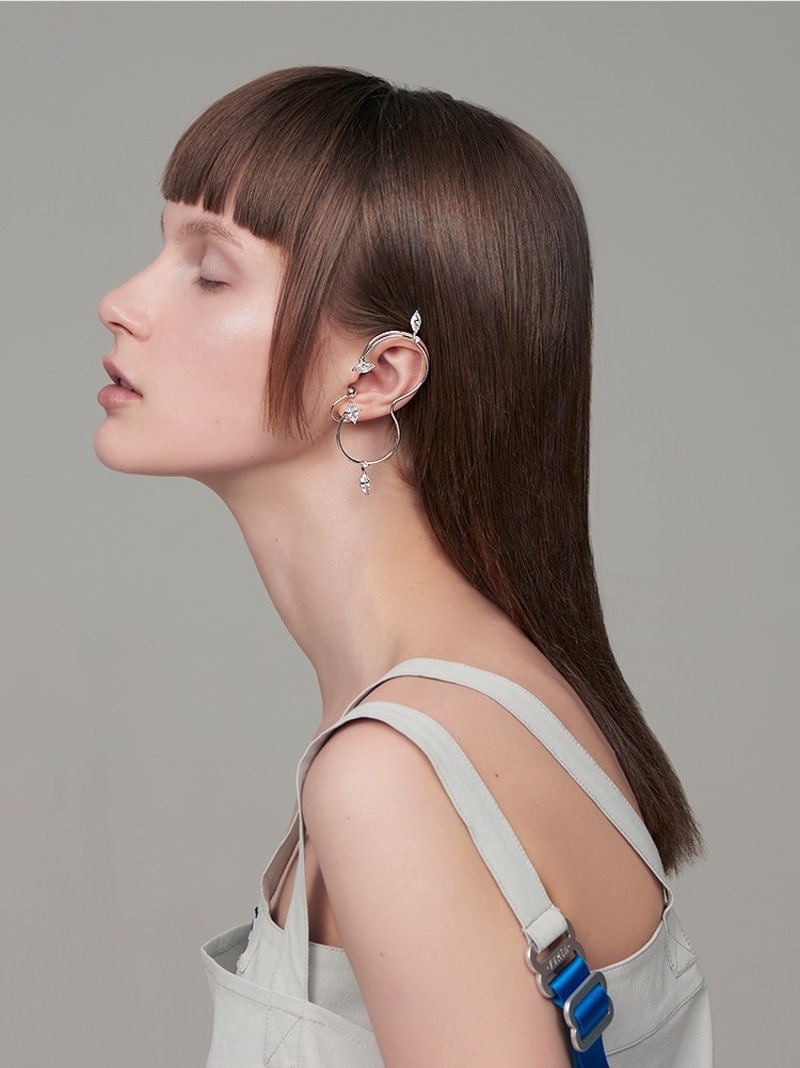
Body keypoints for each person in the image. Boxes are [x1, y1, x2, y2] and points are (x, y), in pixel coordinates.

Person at [95, 66, 713, 1068]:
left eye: (209, 272)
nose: (119, 302)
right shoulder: (502, 701)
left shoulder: (393, 774)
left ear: (377, 374)